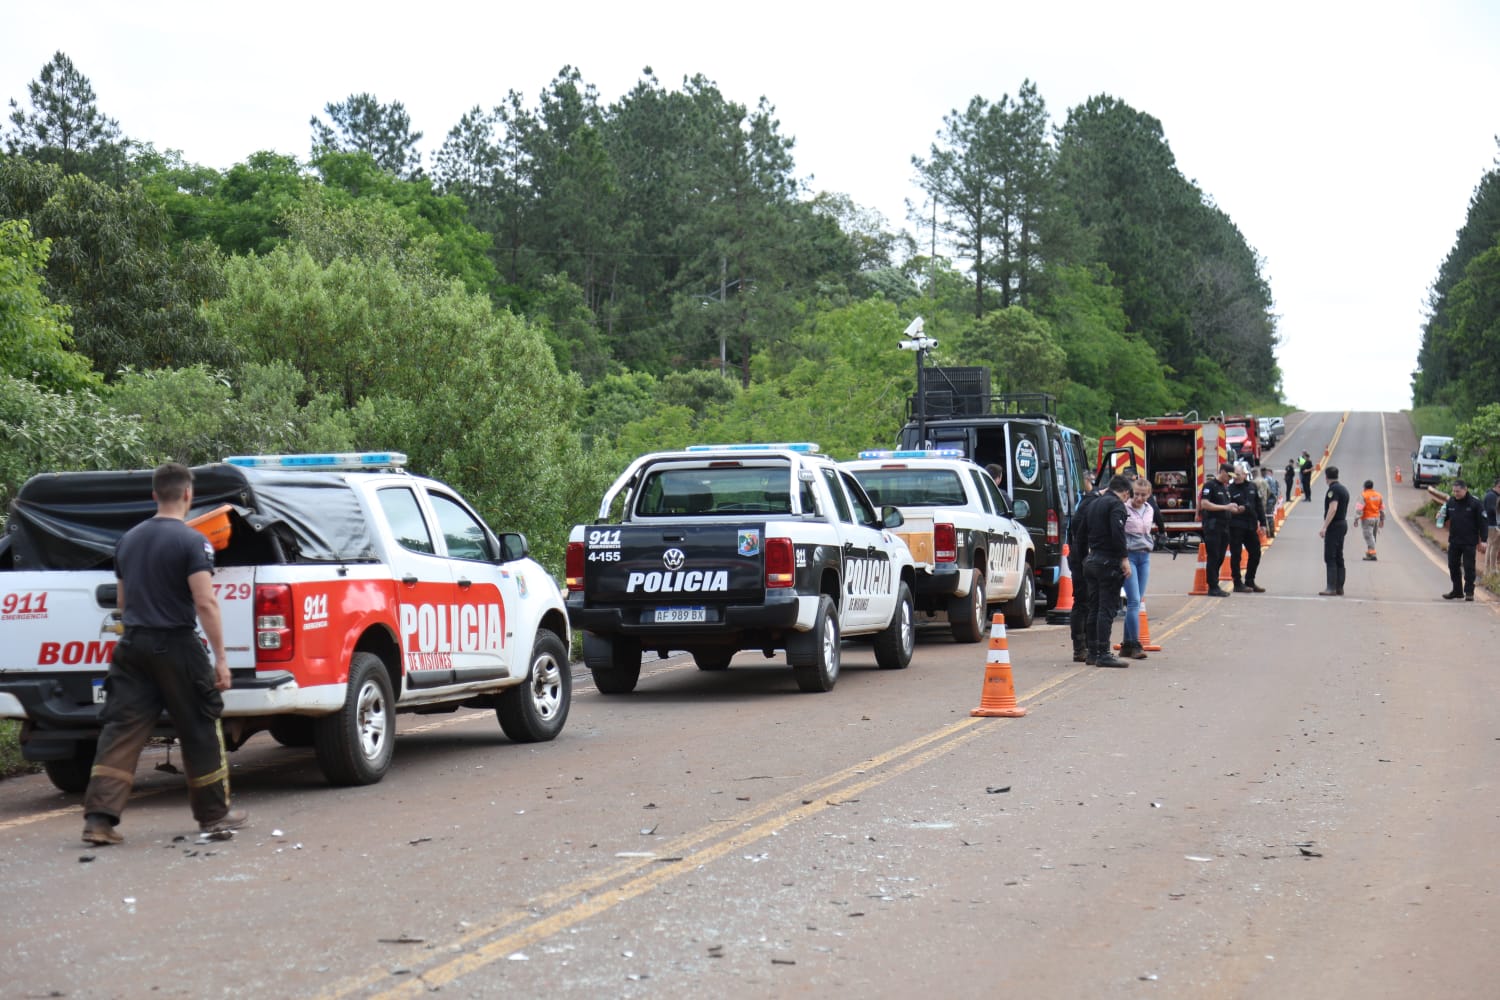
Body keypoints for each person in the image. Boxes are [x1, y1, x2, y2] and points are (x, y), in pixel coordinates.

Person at [81, 463, 248, 846]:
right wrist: (221, 659)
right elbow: (205, 602)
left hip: (132, 646)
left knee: (121, 730)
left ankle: (99, 821)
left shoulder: (128, 541)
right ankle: (214, 816)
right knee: (200, 727)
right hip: (176, 644)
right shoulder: (193, 542)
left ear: (155, 495)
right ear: (188, 495)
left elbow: (123, 601)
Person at [1083, 474, 1133, 668]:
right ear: (1126, 493)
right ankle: (1104, 652)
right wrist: (1124, 558)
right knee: (1107, 608)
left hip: (1092, 559)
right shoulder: (1116, 505)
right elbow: (1117, 533)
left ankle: (1093, 652)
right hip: (1107, 562)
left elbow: (1084, 529)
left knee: (1094, 608)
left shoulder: (1095, 503)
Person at [1120, 477, 1158, 659]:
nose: (1139, 499)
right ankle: (1135, 644)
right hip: (1130, 557)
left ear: (1149, 495)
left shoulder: (1149, 509)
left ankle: (1126, 643)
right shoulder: (1124, 509)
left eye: (1143, 495)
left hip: (1145, 556)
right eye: (1136, 494)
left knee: (1138, 600)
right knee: (1134, 601)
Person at [1067, 472, 1104, 663]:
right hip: (1082, 558)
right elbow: (1078, 532)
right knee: (1084, 602)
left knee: (1085, 602)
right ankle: (1081, 647)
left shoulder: (1089, 501)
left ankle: (1087, 646)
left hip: (1081, 557)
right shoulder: (1093, 503)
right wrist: (1084, 561)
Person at [1440, 479, 1489, 601]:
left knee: (1469, 567)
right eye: (1454, 491)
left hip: (1469, 541)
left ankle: (1469, 592)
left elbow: (1483, 522)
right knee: (1453, 566)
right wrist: (1440, 516)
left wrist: (1483, 539)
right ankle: (1457, 591)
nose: (1456, 493)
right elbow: (1445, 516)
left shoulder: (1475, 503)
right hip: (1454, 540)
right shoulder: (1451, 502)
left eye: (1458, 491)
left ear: (1465, 489)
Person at [1197, 465, 1238, 598]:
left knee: (1220, 556)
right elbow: (1204, 504)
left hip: (1224, 526)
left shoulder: (1224, 488)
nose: (1229, 480)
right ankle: (1213, 586)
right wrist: (1225, 507)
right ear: (1223, 472)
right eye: (1229, 476)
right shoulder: (1210, 485)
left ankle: (1215, 583)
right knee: (1213, 556)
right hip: (1213, 526)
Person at [1227, 466, 1265, 592]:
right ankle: (1237, 583)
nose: (1236, 477)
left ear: (1244, 474)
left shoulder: (1252, 487)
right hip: (1236, 525)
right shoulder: (1230, 489)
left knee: (1256, 553)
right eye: (1234, 474)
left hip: (1250, 525)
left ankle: (1250, 580)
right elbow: (1226, 508)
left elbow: (1258, 506)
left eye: (1238, 474)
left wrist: (1263, 523)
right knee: (1236, 555)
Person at [1318, 465, 1350, 596]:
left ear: (1326, 477)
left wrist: (1324, 527)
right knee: (1338, 556)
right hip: (1342, 524)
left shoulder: (1333, 490)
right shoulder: (1343, 489)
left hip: (1335, 525)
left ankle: (1331, 587)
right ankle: (1339, 587)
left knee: (1330, 556)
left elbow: (1333, 508)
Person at [1354, 479, 1386, 561]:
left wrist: (1356, 519)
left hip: (1367, 519)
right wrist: (1382, 520)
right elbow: (1382, 509)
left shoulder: (1363, 495)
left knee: (1368, 536)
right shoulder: (1378, 495)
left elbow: (1359, 508)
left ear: (1364, 487)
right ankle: (1370, 553)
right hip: (1376, 519)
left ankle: (1372, 553)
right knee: (1372, 536)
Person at [1484, 477, 1500, 574]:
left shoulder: (1492, 495)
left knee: (1491, 547)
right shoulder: (1492, 496)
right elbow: (1492, 510)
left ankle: (1489, 570)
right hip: (1493, 525)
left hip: (1492, 525)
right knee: (1494, 547)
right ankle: (1491, 570)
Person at [1261, 467, 1281, 537]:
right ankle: (1271, 531)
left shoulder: (1266, 480)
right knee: (1270, 515)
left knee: (1267, 516)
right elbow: (1278, 490)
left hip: (1268, 500)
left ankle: (1269, 532)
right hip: (1273, 499)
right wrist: (1277, 499)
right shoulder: (1274, 480)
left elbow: (1264, 491)